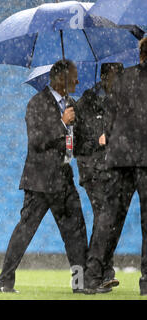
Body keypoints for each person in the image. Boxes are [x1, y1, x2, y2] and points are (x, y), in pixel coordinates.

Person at [0, 59, 88, 293]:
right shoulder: (37, 103)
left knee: (75, 234)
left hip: (64, 178)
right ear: (60, 78)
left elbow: (75, 142)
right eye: (74, 76)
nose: (77, 80)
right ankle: (5, 282)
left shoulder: (72, 104)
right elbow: (36, 141)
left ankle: (79, 284)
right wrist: (62, 123)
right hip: (40, 181)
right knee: (25, 231)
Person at [84, 37, 147, 296]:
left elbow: (109, 121)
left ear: (140, 55)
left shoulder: (122, 78)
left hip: (119, 158)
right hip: (145, 159)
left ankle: (91, 277)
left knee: (109, 219)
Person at [74, 63, 124, 293]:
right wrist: (99, 140)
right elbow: (79, 144)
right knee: (104, 218)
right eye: (115, 76)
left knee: (106, 221)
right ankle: (103, 273)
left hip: (112, 171)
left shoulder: (120, 102)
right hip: (93, 171)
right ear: (104, 77)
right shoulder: (86, 102)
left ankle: (98, 273)